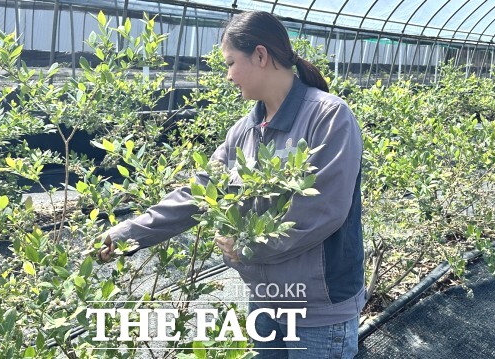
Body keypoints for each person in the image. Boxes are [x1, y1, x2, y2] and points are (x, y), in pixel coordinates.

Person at [96, 11, 364, 358]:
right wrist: (126, 235)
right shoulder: (243, 131)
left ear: (261, 56)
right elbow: (200, 193)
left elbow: (322, 211)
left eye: (230, 63)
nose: (228, 75)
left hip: (318, 308)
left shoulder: (328, 116)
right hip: (265, 303)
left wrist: (246, 246)